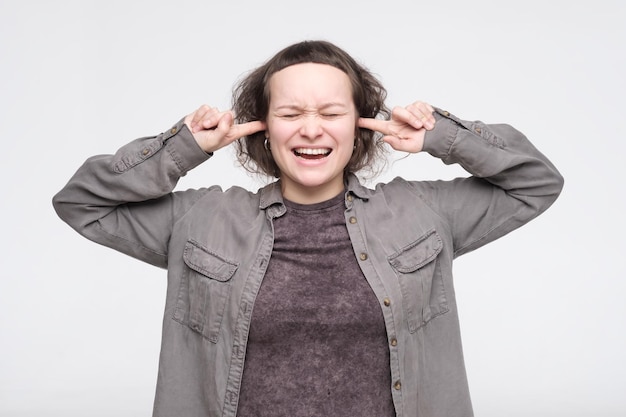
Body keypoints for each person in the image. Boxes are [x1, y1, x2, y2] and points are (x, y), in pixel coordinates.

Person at [53, 40, 564, 417]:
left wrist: (443, 137)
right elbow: (82, 202)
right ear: (263, 127)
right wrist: (182, 147)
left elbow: (535, 183)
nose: (312, 128)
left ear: (360, 124)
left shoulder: (423, 213)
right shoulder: (201, 221)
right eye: (291, 112)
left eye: (331, 112)